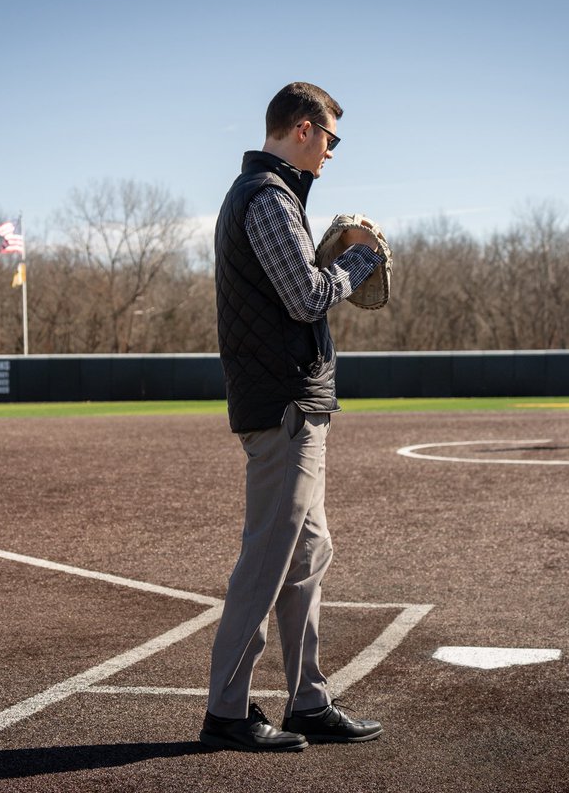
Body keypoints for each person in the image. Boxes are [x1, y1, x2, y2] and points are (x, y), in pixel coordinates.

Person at [201, 82, 386, 752]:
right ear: (304, 130)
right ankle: (226, 711)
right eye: (330, 139)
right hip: (283, 404)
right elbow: (307, 298)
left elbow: (294, 291)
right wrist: (358, 262)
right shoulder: (267, 198)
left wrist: (332, 258)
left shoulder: (271, 196)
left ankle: (308, 699)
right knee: (268, 558)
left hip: (294, 400)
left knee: (308, 553)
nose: (332, 153)